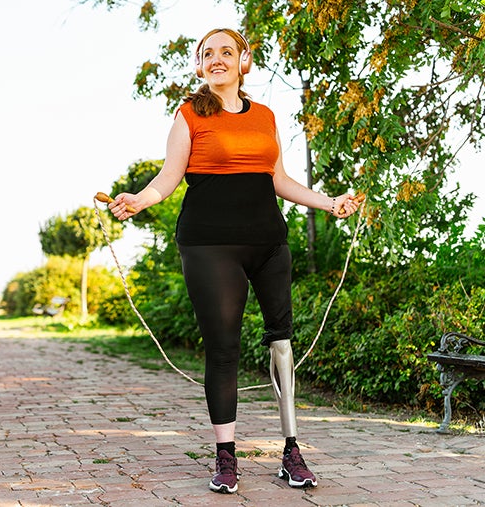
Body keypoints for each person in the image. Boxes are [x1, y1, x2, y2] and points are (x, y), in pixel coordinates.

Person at [109, 27, 362, 494]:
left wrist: (330, 203)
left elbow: (279, 178)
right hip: (210, 245)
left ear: (243, 61)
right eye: (208, 54)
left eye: (227, 51)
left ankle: (291, 451)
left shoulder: (265, 115)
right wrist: (139, 201)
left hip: (268, 242)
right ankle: (226, 458)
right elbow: (168, 178)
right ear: (200, 66)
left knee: (282, 342)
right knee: (223, 349)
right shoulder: (188, 116)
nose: (217, 59)